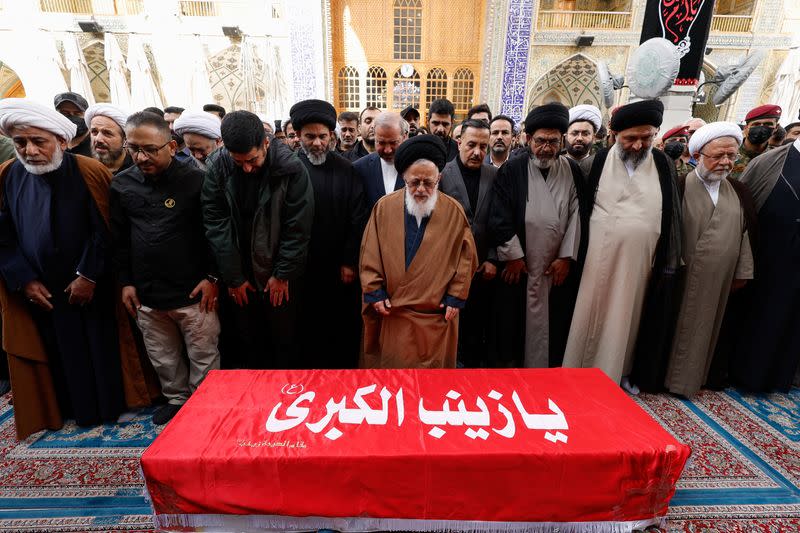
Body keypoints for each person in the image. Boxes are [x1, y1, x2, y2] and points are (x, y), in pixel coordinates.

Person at [0, 99, 155, 437]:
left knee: (97, 353)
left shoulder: (89, 171)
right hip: (39, 290)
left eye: (38, 141)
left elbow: (107, 230)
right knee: (57, 355)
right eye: (21, 142)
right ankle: (64, 410)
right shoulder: (9, 174)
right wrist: (24, 279)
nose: (29, 150)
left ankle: (104, 409)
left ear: (63, 141)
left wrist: (87, 275)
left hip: (92, 287)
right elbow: (4, 235)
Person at [563, 99, 681, 389]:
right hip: (595, 263)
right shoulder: (598, 162)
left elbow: (674, 218)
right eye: (631, 138)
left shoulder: (664, 166)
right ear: (615, 136)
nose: (639, 145)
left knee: (628, 319)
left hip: (640, 266)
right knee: (588, 315)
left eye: (646, 138)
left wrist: (668, 263)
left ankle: (620, 373)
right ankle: (577, 368)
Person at [110, 112, 220, 425]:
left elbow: (216, 232)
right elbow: (119, 239)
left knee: (203, 353)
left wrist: (213, 277)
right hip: (147, 292)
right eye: (134, 149)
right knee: (163, 355)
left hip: (194, 291)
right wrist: (126, 282)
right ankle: (176, 399)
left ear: (171, 146)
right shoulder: (121, 184)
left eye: (150, 149)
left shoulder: (197, 180)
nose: (141, 157)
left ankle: (206, 401)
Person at [202, 111, 313, 370]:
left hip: (278, 274)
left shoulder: (291, 168)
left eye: (252, 160)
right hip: (239, 275)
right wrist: (234, 277)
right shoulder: (217, 166)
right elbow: (216, 225)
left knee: (283, 341)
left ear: (265, 142)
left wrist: (283, 273)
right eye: (238, 162)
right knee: (247, 342)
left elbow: (297, 227)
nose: (247, 168)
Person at [360, 135, 478, 368]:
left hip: (437, 316)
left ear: (439, 179)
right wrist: (374, 290)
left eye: (429, 182)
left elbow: (467, 258)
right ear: (404, 178)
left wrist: (456, 296)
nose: (421, 189)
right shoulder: (384, 207)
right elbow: (369, 252)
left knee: (433, 387)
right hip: (394, 313)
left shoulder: (454, 211)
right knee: (394, 383)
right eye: (414, 182)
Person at [489, 103, 584, 369]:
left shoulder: (572, 171)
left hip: (555, 270)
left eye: (553, 141)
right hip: (520, 269)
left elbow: (578, 215)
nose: (547, 147)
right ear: (528, 139)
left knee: (554, 325)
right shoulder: (512, 170)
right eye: (541, 140)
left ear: (562, 141)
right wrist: (513, 257)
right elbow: (499, 216)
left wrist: (567, 257)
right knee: (512, 327)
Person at [663, 122, 754, 398]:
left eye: (731, 156)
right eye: (718, 156)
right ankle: (668, 379)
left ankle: (700, 377)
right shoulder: (679, 186)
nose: (725, 162)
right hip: (681, 277)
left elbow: (745, 234)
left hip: (720, 281)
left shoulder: (739, 193)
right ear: (697, 155)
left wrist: (742, 271)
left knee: (708, 330)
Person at [291, 100, 367, 369]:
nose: (317, 143)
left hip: (339, 270)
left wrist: (349, 260)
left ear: (332, 137)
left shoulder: (347, 169)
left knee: (340, 328)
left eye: (323, 136)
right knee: (305, 330)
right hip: (302, 270)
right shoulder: (289, 169)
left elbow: (357, 218)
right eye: (310, 136)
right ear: (298, 136)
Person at [730, 118, 800, 392]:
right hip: (767, 259)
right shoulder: (770, 161)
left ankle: (780, 377)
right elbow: (743, 211)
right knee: (759, 318)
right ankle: (743, 374)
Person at [440, 119, 497, 367]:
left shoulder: (495, 175)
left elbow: (500, 219)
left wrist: (493, 258)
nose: (477, 152)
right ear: (459, 141)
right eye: (472, 144)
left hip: (484, 270)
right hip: (449, 270)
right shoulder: (442, 174)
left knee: (478, 329)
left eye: (483, 147)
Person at [353, 112, 409, 208]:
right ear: (374, 137)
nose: (387, 150)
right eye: (381, 143)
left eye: (393, 143)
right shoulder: (359, 168)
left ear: (404, 137)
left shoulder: (416, 166)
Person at [731, 105, 782, 179]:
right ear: (746, 128)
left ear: (776, 128)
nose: (761, 128)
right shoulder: (730, 151)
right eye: (756, 124)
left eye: (768, 124)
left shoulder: (776, 158)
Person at [84, 103, 133, 175]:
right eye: (94, 132)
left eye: (107, 133)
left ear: (125, 139)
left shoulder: (139, 170)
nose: (98, 139)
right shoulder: (83, 169)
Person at [565, 104, 602, 177]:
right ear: (566, 136)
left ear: (594, 138)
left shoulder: (601, 167)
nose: (579, 138)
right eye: (574, 133)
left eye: (585, 134)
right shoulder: (554, 166)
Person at [54, 92, 91, 158]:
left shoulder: (97, 143)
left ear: (86, 114)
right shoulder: (52, 142)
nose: (72, 117)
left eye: (77, 113)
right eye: (65, 113)